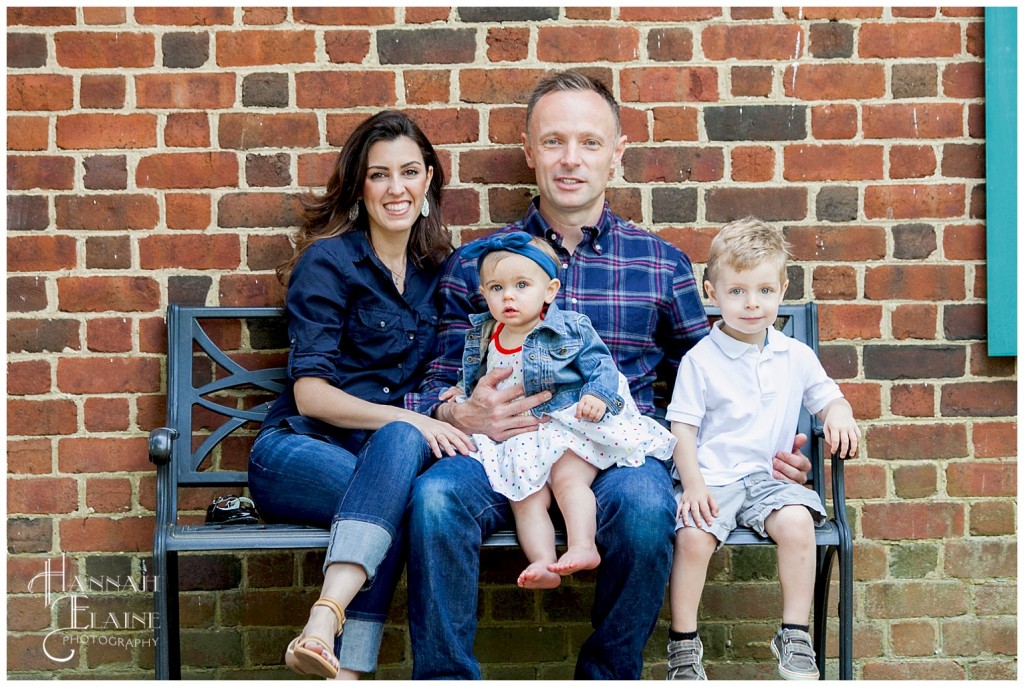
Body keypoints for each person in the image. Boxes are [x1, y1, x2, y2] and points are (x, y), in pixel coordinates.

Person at [404, 71, 814, 679]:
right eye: (554, 141)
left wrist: (764, 452)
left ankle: (610, 675)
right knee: (434, 498)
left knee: (650, 511)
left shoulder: (659, 263)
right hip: (503, 450)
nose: (571, 159)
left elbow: (713, 380)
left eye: (590, 143)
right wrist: (456, 411)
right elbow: (434, 377)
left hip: (619, 455)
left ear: (616, 154)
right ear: (528, 151)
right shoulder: (480, 264)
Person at [246, 110, 473, 679]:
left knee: (389, 479)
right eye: (379, 175)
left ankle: (329, 644)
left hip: (380, 460)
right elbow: (311, 397)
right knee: (394, 480)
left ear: (428, 183)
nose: (396, 188)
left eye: (409, 172)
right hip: (297, 453)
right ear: (359, 186)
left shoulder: (440, 273)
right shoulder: (330, 262)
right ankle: (344, 651)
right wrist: (415, 421)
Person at [664, 218, 860, 680]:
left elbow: (827, 395)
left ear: (783, 289)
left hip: (768, 478)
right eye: (737, 292)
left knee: (797, 523)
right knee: (693, 537)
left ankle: (794, 635)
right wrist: (692, 485)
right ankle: (684, 645)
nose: (752, 304)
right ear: (712, 292)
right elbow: (682, 429)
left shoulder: (795, 356)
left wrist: (840, 412)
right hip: (712, 478)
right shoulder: (701, 361)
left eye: (765, 290)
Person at [439, 232, 676, 589]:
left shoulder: (568, 328)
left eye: (521, 285)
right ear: (484, 293)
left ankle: (583, 546)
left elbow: (601, 366)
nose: (509, 296)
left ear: (549, 291)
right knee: (525, 497)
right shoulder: (485, 334)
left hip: (568, 424)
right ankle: (544, 562)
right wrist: (463, 391)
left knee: (568, 481)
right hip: (520, 436)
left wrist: (596, 395)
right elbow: (480, 375)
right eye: (496, 288)